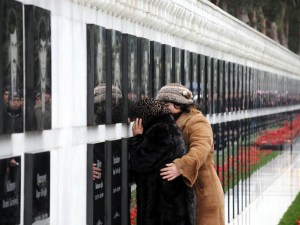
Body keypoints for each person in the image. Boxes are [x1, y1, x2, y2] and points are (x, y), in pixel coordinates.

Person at [156, 83, 225, 225]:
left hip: (202, 192)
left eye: (165, 104)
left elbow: (201, 148)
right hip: (181, 195)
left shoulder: (197, 121)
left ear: (178, 105)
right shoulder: (167, 122)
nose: (162, 108)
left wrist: (181, 166)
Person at [128, 98, 195, 225]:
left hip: (164, 207)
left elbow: (141, 162)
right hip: (171, 202)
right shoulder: (168, 126)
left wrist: (137, 138)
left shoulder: (160, 130)